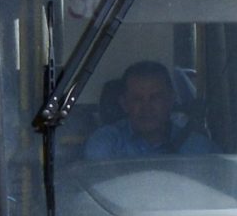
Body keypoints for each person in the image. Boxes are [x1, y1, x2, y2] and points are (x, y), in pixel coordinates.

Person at [83, 59, 216, 159]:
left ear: (171, 100)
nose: (146, 107)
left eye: (155, 98)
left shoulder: (200, 149)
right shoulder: (105, 143)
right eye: (137, 99)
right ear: (124, 104)